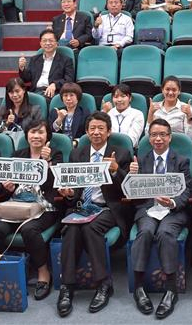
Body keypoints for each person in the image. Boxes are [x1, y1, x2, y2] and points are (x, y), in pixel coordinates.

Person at [55, 111, 132, 317]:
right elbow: (72, 189)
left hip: (107, 207)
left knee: (91, 228)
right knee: (71, 229)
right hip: (81, 206)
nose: (96, 132)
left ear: (109, 131)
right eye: (92, 129)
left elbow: (128, 189)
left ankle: (103, 284)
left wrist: (115, 170)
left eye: (100, 128)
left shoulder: (121, 153)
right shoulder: (77, 153)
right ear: (87, 132)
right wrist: (69, 193)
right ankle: (67, 286)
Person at [0, 120, 63, 301]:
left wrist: (47, 162)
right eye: (33, 132)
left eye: (41, 132)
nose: (36, 136)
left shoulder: (55, 154)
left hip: (44, 206)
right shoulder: (18, 155)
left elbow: (56, 184)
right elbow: (9, 185)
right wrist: (9, 187)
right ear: (27, 135)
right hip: (17, 205)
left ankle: (43, 272)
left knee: (29, 230)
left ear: (47, 136)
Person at [129, 119, 192, 319]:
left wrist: (172, 203)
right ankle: (139, 287)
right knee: (145, 231)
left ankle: (171, 290)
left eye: (163, 134)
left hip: (172, 210)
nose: (158, 139)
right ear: (149, 138)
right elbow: (132, 194)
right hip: (148, 208)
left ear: (170, 137)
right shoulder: (141, 160)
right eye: (154, 135)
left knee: (165, 233)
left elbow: (186, 191)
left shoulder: (181, 160)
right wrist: (131, 177)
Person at [19, 29, 75, 99]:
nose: (47, 43)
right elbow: (26, 79)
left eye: (50, 40)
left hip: (53, 93)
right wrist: (22, 68)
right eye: (44, 41)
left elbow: (69, 79)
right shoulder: (35, 59)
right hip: (35, 91)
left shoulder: (66, 60)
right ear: (40, 44)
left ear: (57, 43)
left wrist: (55, 84)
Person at [147, 76, 192, 141]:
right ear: (162, 90)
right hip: (157, 144)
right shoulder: (154, 108)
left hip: (178, 144)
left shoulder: (186, 108)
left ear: (179, 91)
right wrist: (150, 114)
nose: (170, 93)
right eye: (167, 89)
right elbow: (147, 136)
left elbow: (191, 138)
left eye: (174, 90)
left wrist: (189, 116)